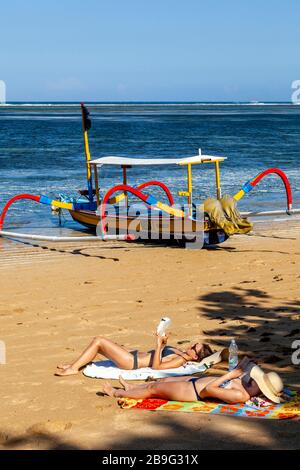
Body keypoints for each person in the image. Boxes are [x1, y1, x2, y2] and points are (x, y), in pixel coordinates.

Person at [102, 358, 284, 405]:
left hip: (193, 392)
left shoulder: (239, 395)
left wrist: (230, 376)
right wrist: (246, 365)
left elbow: (209, 391)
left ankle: (117, 392)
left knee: (153, 388)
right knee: (163, 379)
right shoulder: (247, 387)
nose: (252, 380)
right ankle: (132, 387)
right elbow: (244, 364)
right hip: (195, 382)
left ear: (259, 390)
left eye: (256, 382)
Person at [55, 332, 213, 376]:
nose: (191, 345)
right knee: (104, 346)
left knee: (99, 341)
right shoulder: (180, 352)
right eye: (194, 344)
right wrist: (163, 341)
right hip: (134, 355)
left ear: (195, 357)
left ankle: (73, 369)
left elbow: (158, 367)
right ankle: (74, 365)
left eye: (194, 348)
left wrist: (159, 346)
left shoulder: (179, 360)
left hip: (132, 362)